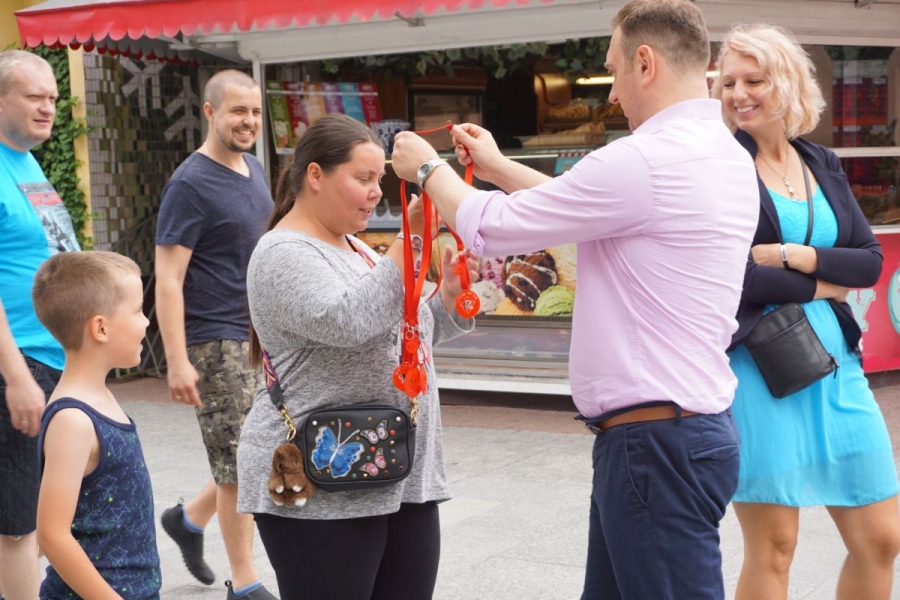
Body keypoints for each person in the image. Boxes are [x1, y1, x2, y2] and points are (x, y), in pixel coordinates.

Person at [391, 1, 761, 597]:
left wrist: (429, 169)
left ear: (646, 63)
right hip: (676, 432)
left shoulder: (646, 159)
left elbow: (495, 229)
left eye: (613, 70)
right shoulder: (722, 154)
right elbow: (587, 207)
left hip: (655, 442)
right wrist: (498, 168)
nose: (611, 92)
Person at [235, 113, 477, 599]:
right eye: (363, 178)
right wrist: (409, 236)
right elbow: (349, 322)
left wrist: (449, 298)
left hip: (400, 469)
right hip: (325, 482)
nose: (375, 193)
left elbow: (407, 331)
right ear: (315, 175)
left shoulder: (357, 249)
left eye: (379, 180)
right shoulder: (282, 251)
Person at [710, 24, 900, 600]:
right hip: (760, 368)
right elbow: (737, 277)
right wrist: (825, 285)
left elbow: (868, 263)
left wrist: (797, 255)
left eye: (754, 80)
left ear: (787, 83)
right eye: (728, 83)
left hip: (838, 365)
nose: (738, 94)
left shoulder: (821, 160)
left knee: (882, 539)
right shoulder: (722, 167)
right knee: (775, 546)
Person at [154, 69, 275, 599]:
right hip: (216, 340)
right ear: (209, 112)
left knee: (253, 450)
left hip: (259, 336)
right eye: (237, 111)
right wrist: (177, 360)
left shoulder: (254, 169)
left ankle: (188, 520)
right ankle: (244, 583)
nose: (249, 121)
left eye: (255, 111)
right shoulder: (189, 184)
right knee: (240, 466)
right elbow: (167, 277)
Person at [32, 251, 160, 599]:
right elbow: (52, 535)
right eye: (137, 310)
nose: (146, 322)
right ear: (101, 328)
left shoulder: (100, 398)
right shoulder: (73, 420)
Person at [0, 49, 81, 600]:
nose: (48, 107)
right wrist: (16, 378)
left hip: (55, 358)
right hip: (20, 362)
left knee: (52, 511)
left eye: (52, 97)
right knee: (19, 524)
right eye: (34, 96)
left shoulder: (27, 163)